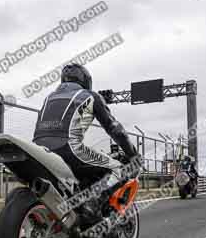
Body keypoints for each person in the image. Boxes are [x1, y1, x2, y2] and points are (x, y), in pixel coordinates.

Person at [32, 63, 140, 224]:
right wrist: (132, 154)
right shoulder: (90, 96)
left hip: (39, 150)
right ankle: (93, 202)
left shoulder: (49, 97)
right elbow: (115, 129)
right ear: (85, 80)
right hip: (69, 149)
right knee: (118, 168)